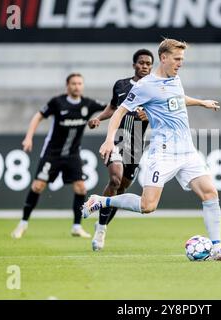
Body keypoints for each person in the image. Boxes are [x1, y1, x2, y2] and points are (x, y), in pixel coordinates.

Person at [82, 39, 221, 261]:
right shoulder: (144, 86)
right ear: (163, 58)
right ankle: (101, 200)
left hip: (187, 151)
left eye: (182, 59)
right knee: (148, 206)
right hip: (163, 152)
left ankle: (217, 250)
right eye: (177, 59)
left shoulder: (175, 78)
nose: (180, 63)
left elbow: (177, 99)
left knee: (210, 193)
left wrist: (201, 102)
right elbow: (119, 112)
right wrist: (109, 140)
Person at [11, 73, 106, 239]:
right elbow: (38, 116)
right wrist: (28, 137)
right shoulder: (57, 102)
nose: (77, 86)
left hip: (73, 154)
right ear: (67, 86)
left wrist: (98, 119)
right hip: (52, 153)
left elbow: (109, 108)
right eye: (73, 83)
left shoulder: (88, 104)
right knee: (38, 186)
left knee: (81, 188)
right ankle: (23, 223)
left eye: (79, 83)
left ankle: (77, 226)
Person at [87, 49, 154, 251]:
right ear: (134, 65)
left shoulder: (154, 88)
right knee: (115, 180)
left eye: (148, 63)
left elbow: (162, 115)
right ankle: (100, 231)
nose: (144, 66)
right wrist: (99, 117)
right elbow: (114, 107)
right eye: (141, 62)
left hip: (136, 145)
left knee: (122, 189)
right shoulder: (121, 85)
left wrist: (149, 117)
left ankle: (101, 225)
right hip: (117, 139)